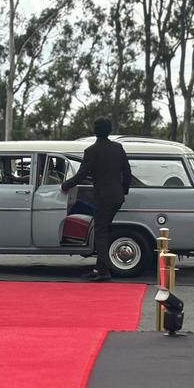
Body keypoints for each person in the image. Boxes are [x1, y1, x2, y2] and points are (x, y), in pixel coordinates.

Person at [61, 117, 131, 281]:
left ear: (95, 131)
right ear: (110, 130)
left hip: (103, 198)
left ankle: (104, 271)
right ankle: (100, 268)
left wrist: (65, 185)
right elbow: (127, 173)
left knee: (100, 233)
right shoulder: (118, 148)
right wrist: (123, 191)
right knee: (103, 230)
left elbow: (82, 175)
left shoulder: (91, 151)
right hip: (117, 197)